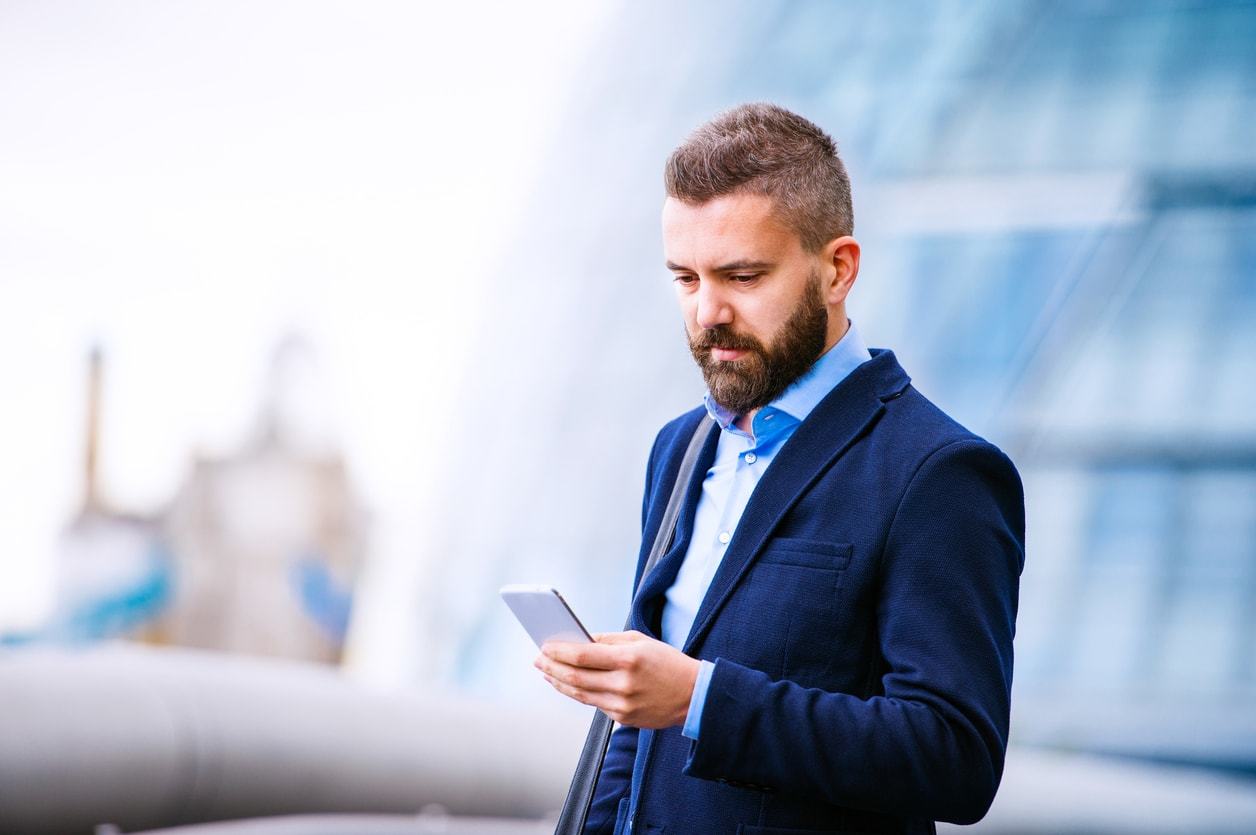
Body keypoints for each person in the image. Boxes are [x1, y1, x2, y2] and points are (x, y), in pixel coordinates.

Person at [535, 103, 1025, 835]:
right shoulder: (681, 447)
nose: (708, 312)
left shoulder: (939, 474)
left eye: (741, 275)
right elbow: (633, 739)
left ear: (837, 269)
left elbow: (954, 755)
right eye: (686, 278)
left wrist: (701, 697)